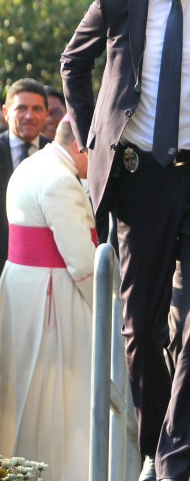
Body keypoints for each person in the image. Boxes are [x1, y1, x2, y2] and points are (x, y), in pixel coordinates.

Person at [60, 0, 190, 479]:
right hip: (140, 178)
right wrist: (88, 135)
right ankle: (178, 436)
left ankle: (173, 460)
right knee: (141, 328)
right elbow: (74, 61)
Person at [0, 120, 95, 481]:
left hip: (22, 289)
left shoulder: (31, 165)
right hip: (52, 299)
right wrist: (109, 309)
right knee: (61, 397)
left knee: (21, 385)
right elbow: (83, 263)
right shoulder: (60, 181)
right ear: (79, 147)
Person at [0, 79, 52, 272]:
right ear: (6, 112)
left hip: (41, 268)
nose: (29, 116)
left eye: (37, 109)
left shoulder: (56, 153)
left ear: (46, 114)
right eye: (21, 108)